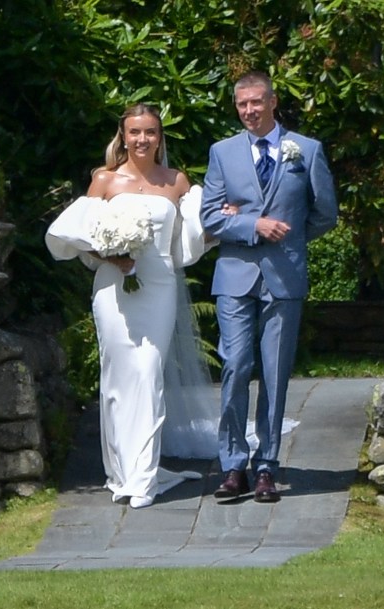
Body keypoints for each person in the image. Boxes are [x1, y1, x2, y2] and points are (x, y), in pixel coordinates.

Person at [45, 104, 217, 509]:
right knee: (118, 376)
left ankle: (143, 478)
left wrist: (220, 225)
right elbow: (76, 234)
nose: (143, 140)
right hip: (113, 289)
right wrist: (109, 255)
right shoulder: (104, 180)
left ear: (160, 137)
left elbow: (189, 240)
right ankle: (121, 472)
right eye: (135, 132)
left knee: (148, 372)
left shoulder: (177, 182)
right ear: (123, 137)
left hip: (158, 286)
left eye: (151, 132)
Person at [200, 71, 338, 503]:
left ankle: (267, 466)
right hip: (236, 276)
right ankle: (232, 464)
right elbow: (209, 217)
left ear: (273, 102)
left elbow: (325, 213)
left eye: (256, 103)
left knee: (275, 375)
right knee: (236, 366)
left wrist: (291, 239)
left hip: (284, 277)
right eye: (242, 104)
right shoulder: (222, 153)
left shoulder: (306, 150)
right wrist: (252, 225)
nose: (249, 111)